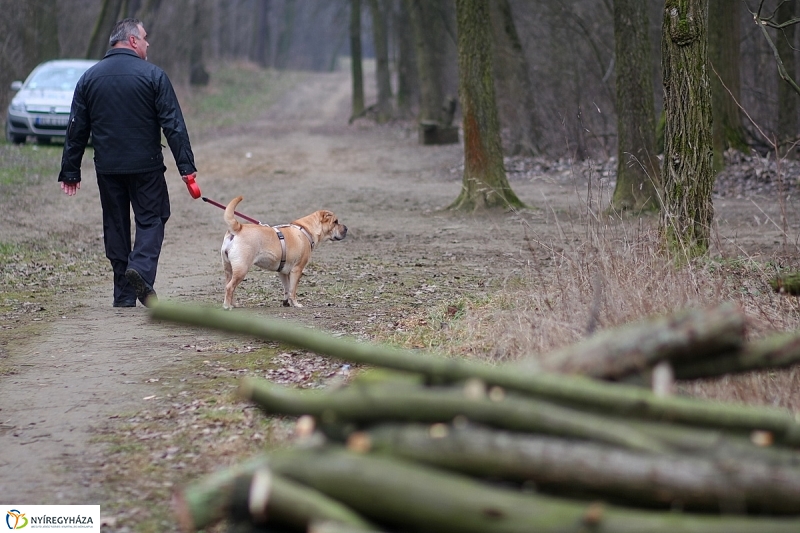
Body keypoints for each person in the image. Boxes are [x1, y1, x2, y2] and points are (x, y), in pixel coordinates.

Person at [58, 18, 198, 308]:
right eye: (145, 37)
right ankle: (141, 270)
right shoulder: (154, 76)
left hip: (107, 167)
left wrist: (70, 170)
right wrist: (186, 168)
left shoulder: (89, 78)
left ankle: (123, 295)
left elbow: (76, 128)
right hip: (146, 166)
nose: (148, 43)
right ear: (132, 40)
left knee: (116, 225)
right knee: (153, 218)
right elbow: (173, 124)